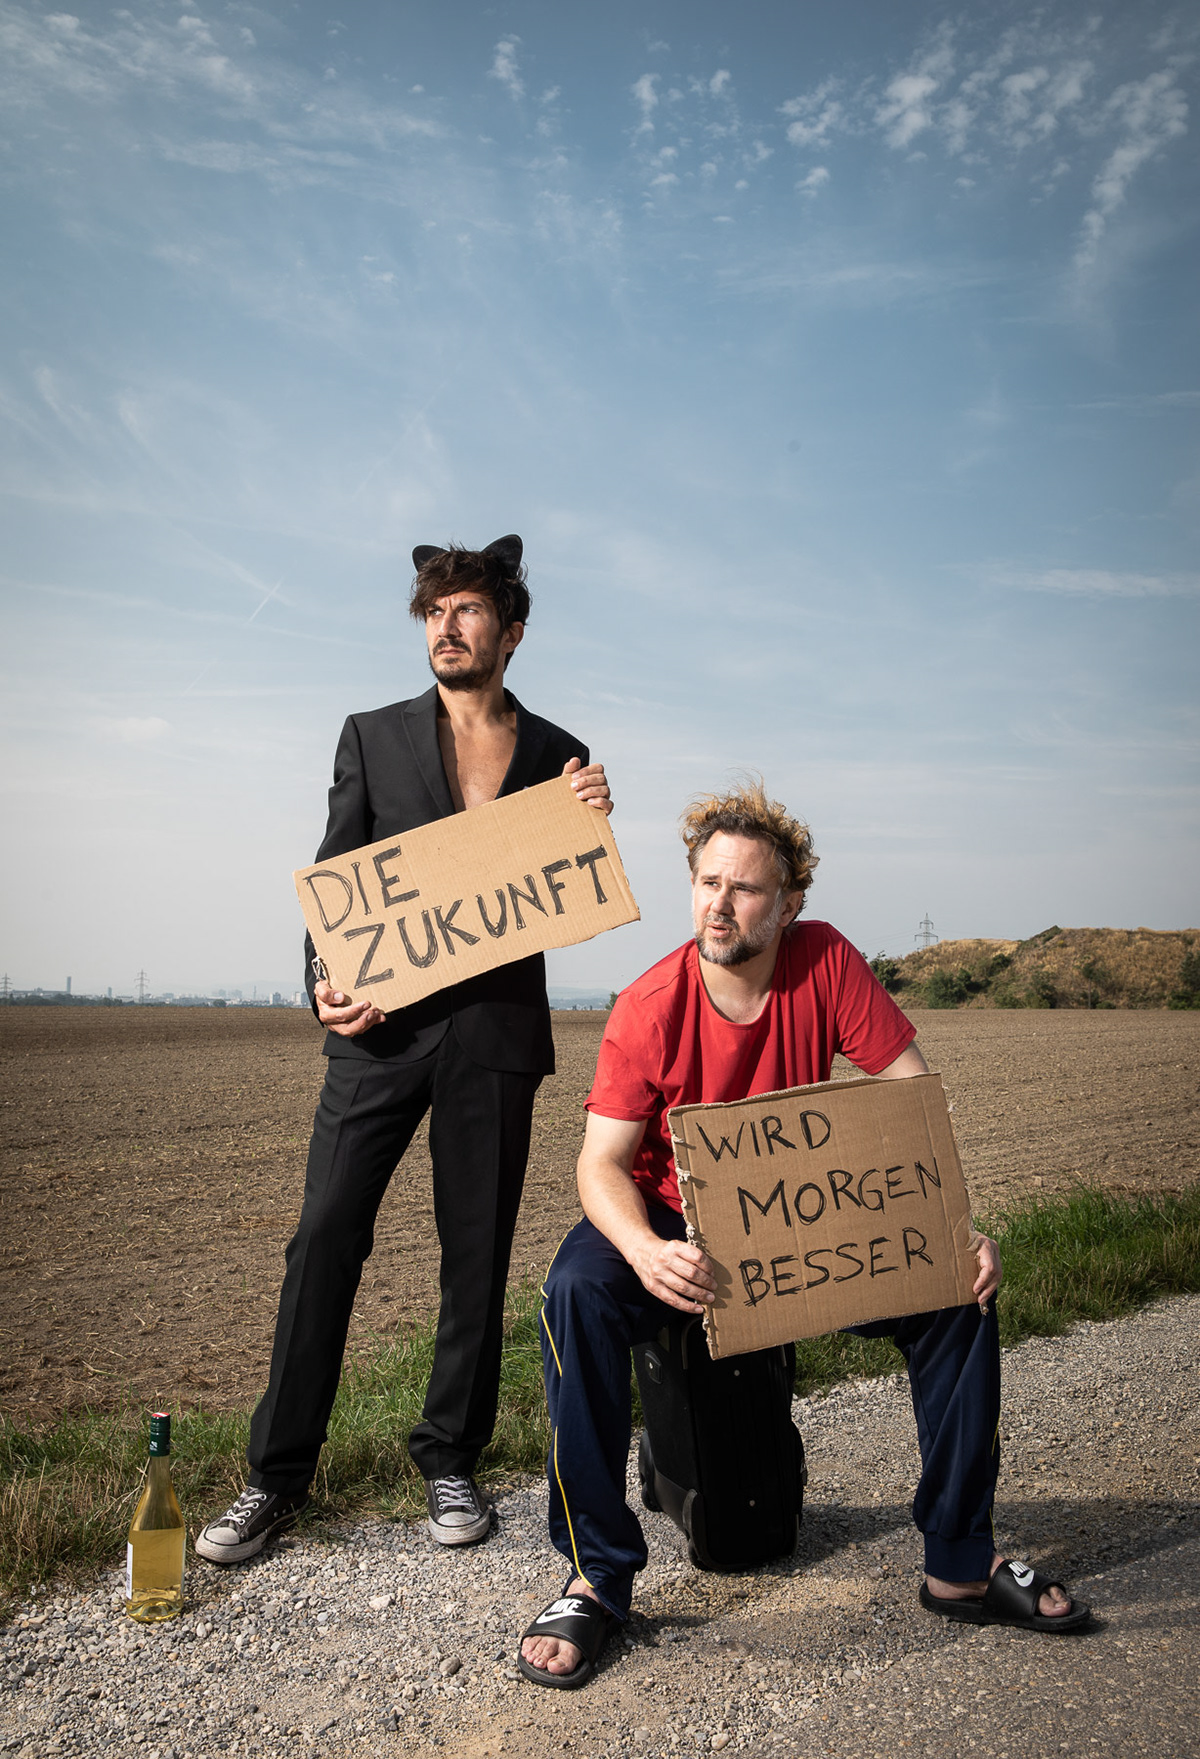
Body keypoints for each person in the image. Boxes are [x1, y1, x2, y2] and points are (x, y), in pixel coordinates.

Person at [517, 779, 1089, 1689]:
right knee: (573, 1294)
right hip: (673, 1216)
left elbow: (911, 1101)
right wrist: (644, 1249)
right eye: (708, 881)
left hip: (803, 1210)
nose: (721, 902)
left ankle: (957, 1558)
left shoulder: (825, 962)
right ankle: (596, 1576)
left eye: (744, 888)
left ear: (787, 903)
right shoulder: (648, 1003)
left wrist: (955, 1229)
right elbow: (600, 1166)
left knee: (961, 1288)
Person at [197, 534, 612, 1565]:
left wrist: (594, 830)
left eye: (468, 611)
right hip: (380, 1034)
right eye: (434, 611)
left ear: (510, 632)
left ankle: (450, 1458)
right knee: (323, 1236)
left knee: (475, 1257)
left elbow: (562, 904)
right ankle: (274, 1474)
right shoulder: (372, 736)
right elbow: (337, 878)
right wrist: (323, 983)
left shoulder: (562, 753)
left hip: (496, 1038)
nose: (447, 626)